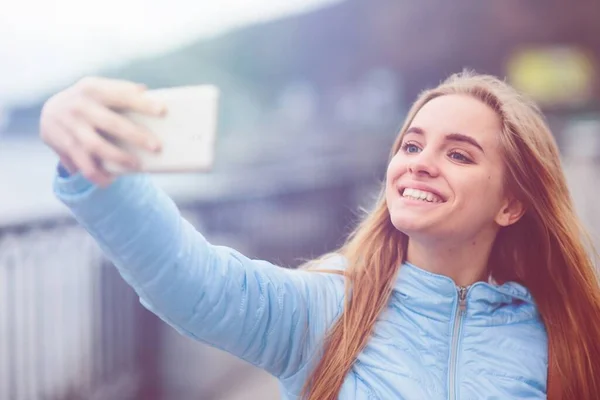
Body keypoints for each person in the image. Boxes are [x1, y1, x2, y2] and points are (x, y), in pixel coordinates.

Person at [40, 72, 600, 400]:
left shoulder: (564, 337)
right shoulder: (326, 310)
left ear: (511, 203)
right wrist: (94, 169)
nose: (420, 164)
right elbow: (191, 279)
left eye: (458, 153)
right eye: (411, 145)